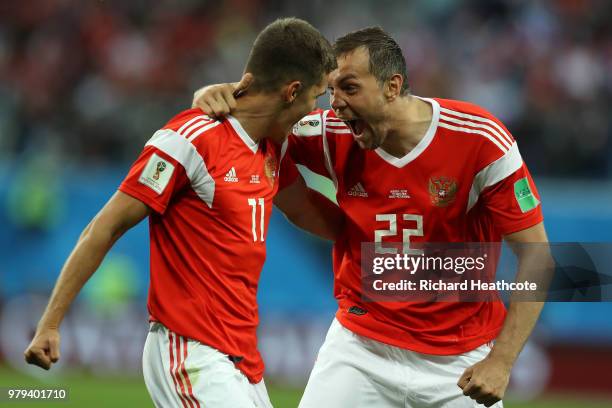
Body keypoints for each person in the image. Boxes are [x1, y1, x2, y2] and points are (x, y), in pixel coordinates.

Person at [193, 27, 554, 408]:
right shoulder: (331, 133)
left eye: (349, 88)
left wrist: (502, 360)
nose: (336, 104)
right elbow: (258, 122)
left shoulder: (479, 140)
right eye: (331, 90)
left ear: (392, 87)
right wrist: (221, 93)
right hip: (360, 348)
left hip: (458, 361)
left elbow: (537, 257)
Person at [24, 17, 339, 408]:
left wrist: (367, 237)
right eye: (316, 96)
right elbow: (104, 227)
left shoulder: (271, 149)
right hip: (189, 354)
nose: (315, 109)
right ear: (292, 91)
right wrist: (50, 323)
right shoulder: (192, 139)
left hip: (242, 361)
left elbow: (304, 209)